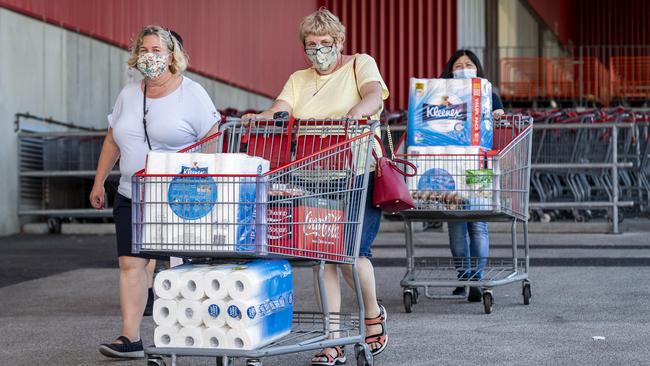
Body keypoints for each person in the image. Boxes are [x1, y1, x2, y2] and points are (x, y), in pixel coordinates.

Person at [242, 8, 389, 366]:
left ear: (339, 42)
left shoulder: (360, 64)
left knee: (352, 254)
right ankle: (333, 339)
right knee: (323, 256)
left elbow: (374, 95)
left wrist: (354, 114)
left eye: (326, 43)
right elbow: (282, 110)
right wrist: (260, 116)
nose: (319, 50)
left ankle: (372, 314)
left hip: (356, 171)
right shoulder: (299, 78)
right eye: (312, 44)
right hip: (313, 173)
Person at [90, 25, 221, 359]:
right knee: (131, 265)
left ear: (172, 56)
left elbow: (212, 138)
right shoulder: (128, 94)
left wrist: (202, 185)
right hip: (131, 193)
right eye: (144, 50)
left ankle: (189, 335)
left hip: (177, 198)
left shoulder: (191, 93)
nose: (150, 57)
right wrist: (98, 181)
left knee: (180, 266)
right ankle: (130, 337)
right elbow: (112, 138)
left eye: (157, 51)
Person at [439, 49, 504, 302]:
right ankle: (463, 274)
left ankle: (476, 277)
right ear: (450, 71)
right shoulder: (441, 95)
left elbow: (498, 119)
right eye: (459, 65)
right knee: (456, 226)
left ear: (478, 69)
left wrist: (497, 114)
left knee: (477, 223)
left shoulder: (489, 94)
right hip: (450, 166)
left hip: (479, 165)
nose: (464, 68)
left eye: (469, 64)